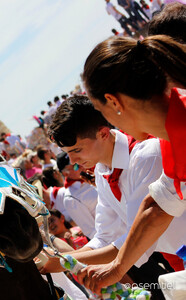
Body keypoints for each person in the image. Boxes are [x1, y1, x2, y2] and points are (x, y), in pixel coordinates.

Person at [44, 96, 181, 297]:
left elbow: (140, 233)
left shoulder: (145, 156)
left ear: (103, 133)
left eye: (77, 150)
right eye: (68, 153)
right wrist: (64, 260)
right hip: (176, 259)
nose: (72, 161)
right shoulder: (101, 171)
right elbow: (105, 235)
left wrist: (62, 262)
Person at [79, 34, 186, 293]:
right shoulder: (171, 135)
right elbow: (157, 205)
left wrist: (116, 266)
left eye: (100, 110)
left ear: (114, 102)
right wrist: (117, 267)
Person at [54, 152, 98, 239]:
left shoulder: (94, 173)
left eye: (80, 161)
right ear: (65, 174)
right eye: (76, 166)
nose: (81, 166)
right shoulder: (70, 199)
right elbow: (92, 231)